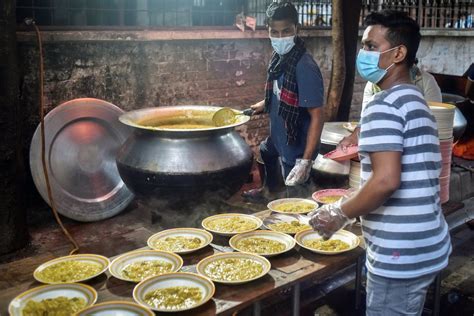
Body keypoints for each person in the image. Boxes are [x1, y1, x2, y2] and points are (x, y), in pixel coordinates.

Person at [309, 10, 451, 315]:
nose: (364, 53)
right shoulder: (416, 100)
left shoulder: (383, 105)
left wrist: (338, 213)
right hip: (426, 244)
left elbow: (385, 180)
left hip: (399, 255)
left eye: (371, 46)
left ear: (398, 53)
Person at [241, 1, 324, 203]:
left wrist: (305, 160)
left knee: (297, 198)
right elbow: (282, 93)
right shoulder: (279, 58)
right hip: (279, 137)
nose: (280, 38)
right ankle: (270, 191)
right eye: (274, 32)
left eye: (286, 31)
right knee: (265, 150)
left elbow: (318, 115)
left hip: (296, 146)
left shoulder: (304, 66)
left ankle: (297, 220)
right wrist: (263, 104)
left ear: (297, 28)